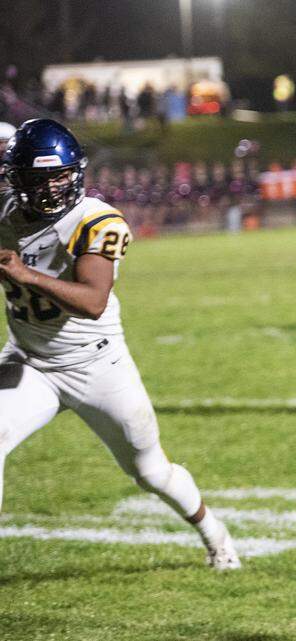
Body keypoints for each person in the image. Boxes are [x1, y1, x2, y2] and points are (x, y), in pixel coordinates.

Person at [0, 119, 240, 569]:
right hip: (30, 360)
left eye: (59, 177)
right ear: (16, 180)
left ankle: (215, 534)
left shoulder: (95, 219)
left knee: (150, 472)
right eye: (38, 180)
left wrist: (26, 274)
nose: (51, 189)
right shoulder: (4, 210)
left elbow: (93, 301)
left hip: (97, 365)